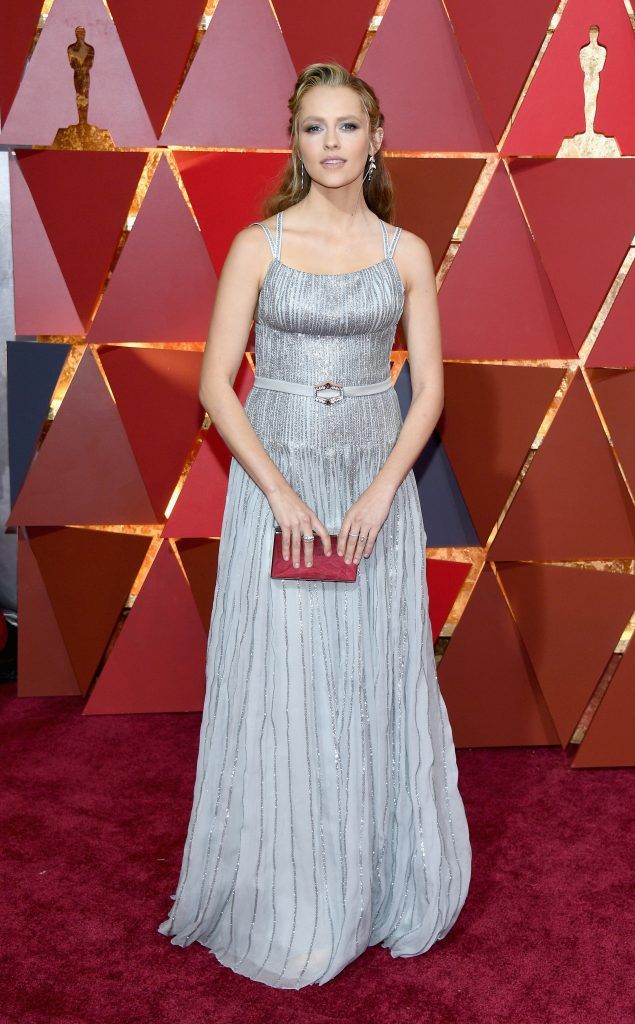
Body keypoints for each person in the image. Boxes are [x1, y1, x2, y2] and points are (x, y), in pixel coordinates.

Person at [158, 60, 471, 989]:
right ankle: (289, 889)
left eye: (347, 126)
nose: (330, 144)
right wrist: (280, 494)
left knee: (370, 676)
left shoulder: (406, 252)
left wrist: (382, 491)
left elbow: (432, 389)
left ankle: (377, 884)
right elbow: (218, 384)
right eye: (313, 128)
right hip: (277, 484)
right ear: (292, 141)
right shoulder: (257, 246)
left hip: (374, 487)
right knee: (288, 682)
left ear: (377, 139)